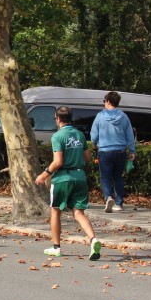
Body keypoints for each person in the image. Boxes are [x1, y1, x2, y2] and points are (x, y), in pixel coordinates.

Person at [34, 106, 101, 261]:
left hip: (63, 178)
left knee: (55, 211)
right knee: (78, 213)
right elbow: (87, 158)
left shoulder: (57, 136)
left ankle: (56, 247)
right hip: (80, 176)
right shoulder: (80, 135)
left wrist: (43, 175)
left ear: (58, 118)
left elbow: (58, 162)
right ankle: (93, 240)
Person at [90, 91, 135, 213]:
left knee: (105, 177)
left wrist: (94, 145)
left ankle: (108, 197)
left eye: (104, 101)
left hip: (104, 151)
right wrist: (132, 150)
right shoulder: (124, 116)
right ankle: (119, 204)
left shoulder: (100, 116)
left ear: (108, 101)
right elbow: (129, 135)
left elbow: (94, 135)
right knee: (118, 177)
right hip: (120, 151)